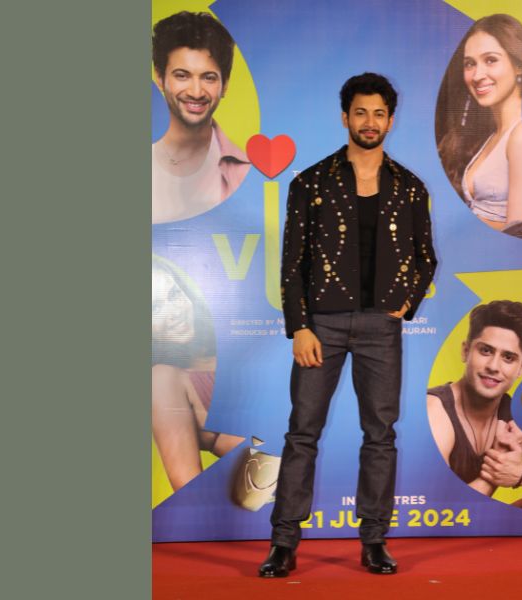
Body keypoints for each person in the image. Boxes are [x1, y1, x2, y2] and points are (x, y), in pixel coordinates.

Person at [259, 73, 437, 577]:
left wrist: (407, 301)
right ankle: (283, 543)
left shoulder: (410, 187)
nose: (370, 122)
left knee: (380, 435)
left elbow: (426, 258)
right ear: (345, 117)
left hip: (382, 327)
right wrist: (300, 327)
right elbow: (292, 264)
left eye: (379, 113)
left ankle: (374, 541)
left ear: (391, 121)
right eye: (361, 112)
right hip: (323, 326)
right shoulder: (310, 183)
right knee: (302, 432)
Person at [426, 300, 522, 517]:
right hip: (435, 530)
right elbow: (437, 515)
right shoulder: (435, 412)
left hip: (484, 526)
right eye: (486, 351)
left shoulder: (517, 421)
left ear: (521, 368)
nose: (494, 366)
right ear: (466, 351)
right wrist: (496, 469)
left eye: (508, 357)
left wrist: (521, 474)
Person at [436, 14, 522, 240]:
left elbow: (521, 235)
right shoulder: (496, 134)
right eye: (470, 64)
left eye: (491, 60)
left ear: (518, 65)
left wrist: (451, 223)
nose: (477, 75)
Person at [151, 258, 244, 492]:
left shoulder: (233, 348)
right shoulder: (163, 379)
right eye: (154, 308)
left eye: (174, 294)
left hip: (321, 466)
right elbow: (188, 487)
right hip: (288, 489)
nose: (174, 312)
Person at [151, 11, 250, 224]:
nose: (196, 92)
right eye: (182, 75)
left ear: (225, 84)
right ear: (159, 77)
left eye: (209, 78)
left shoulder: (244, 171)